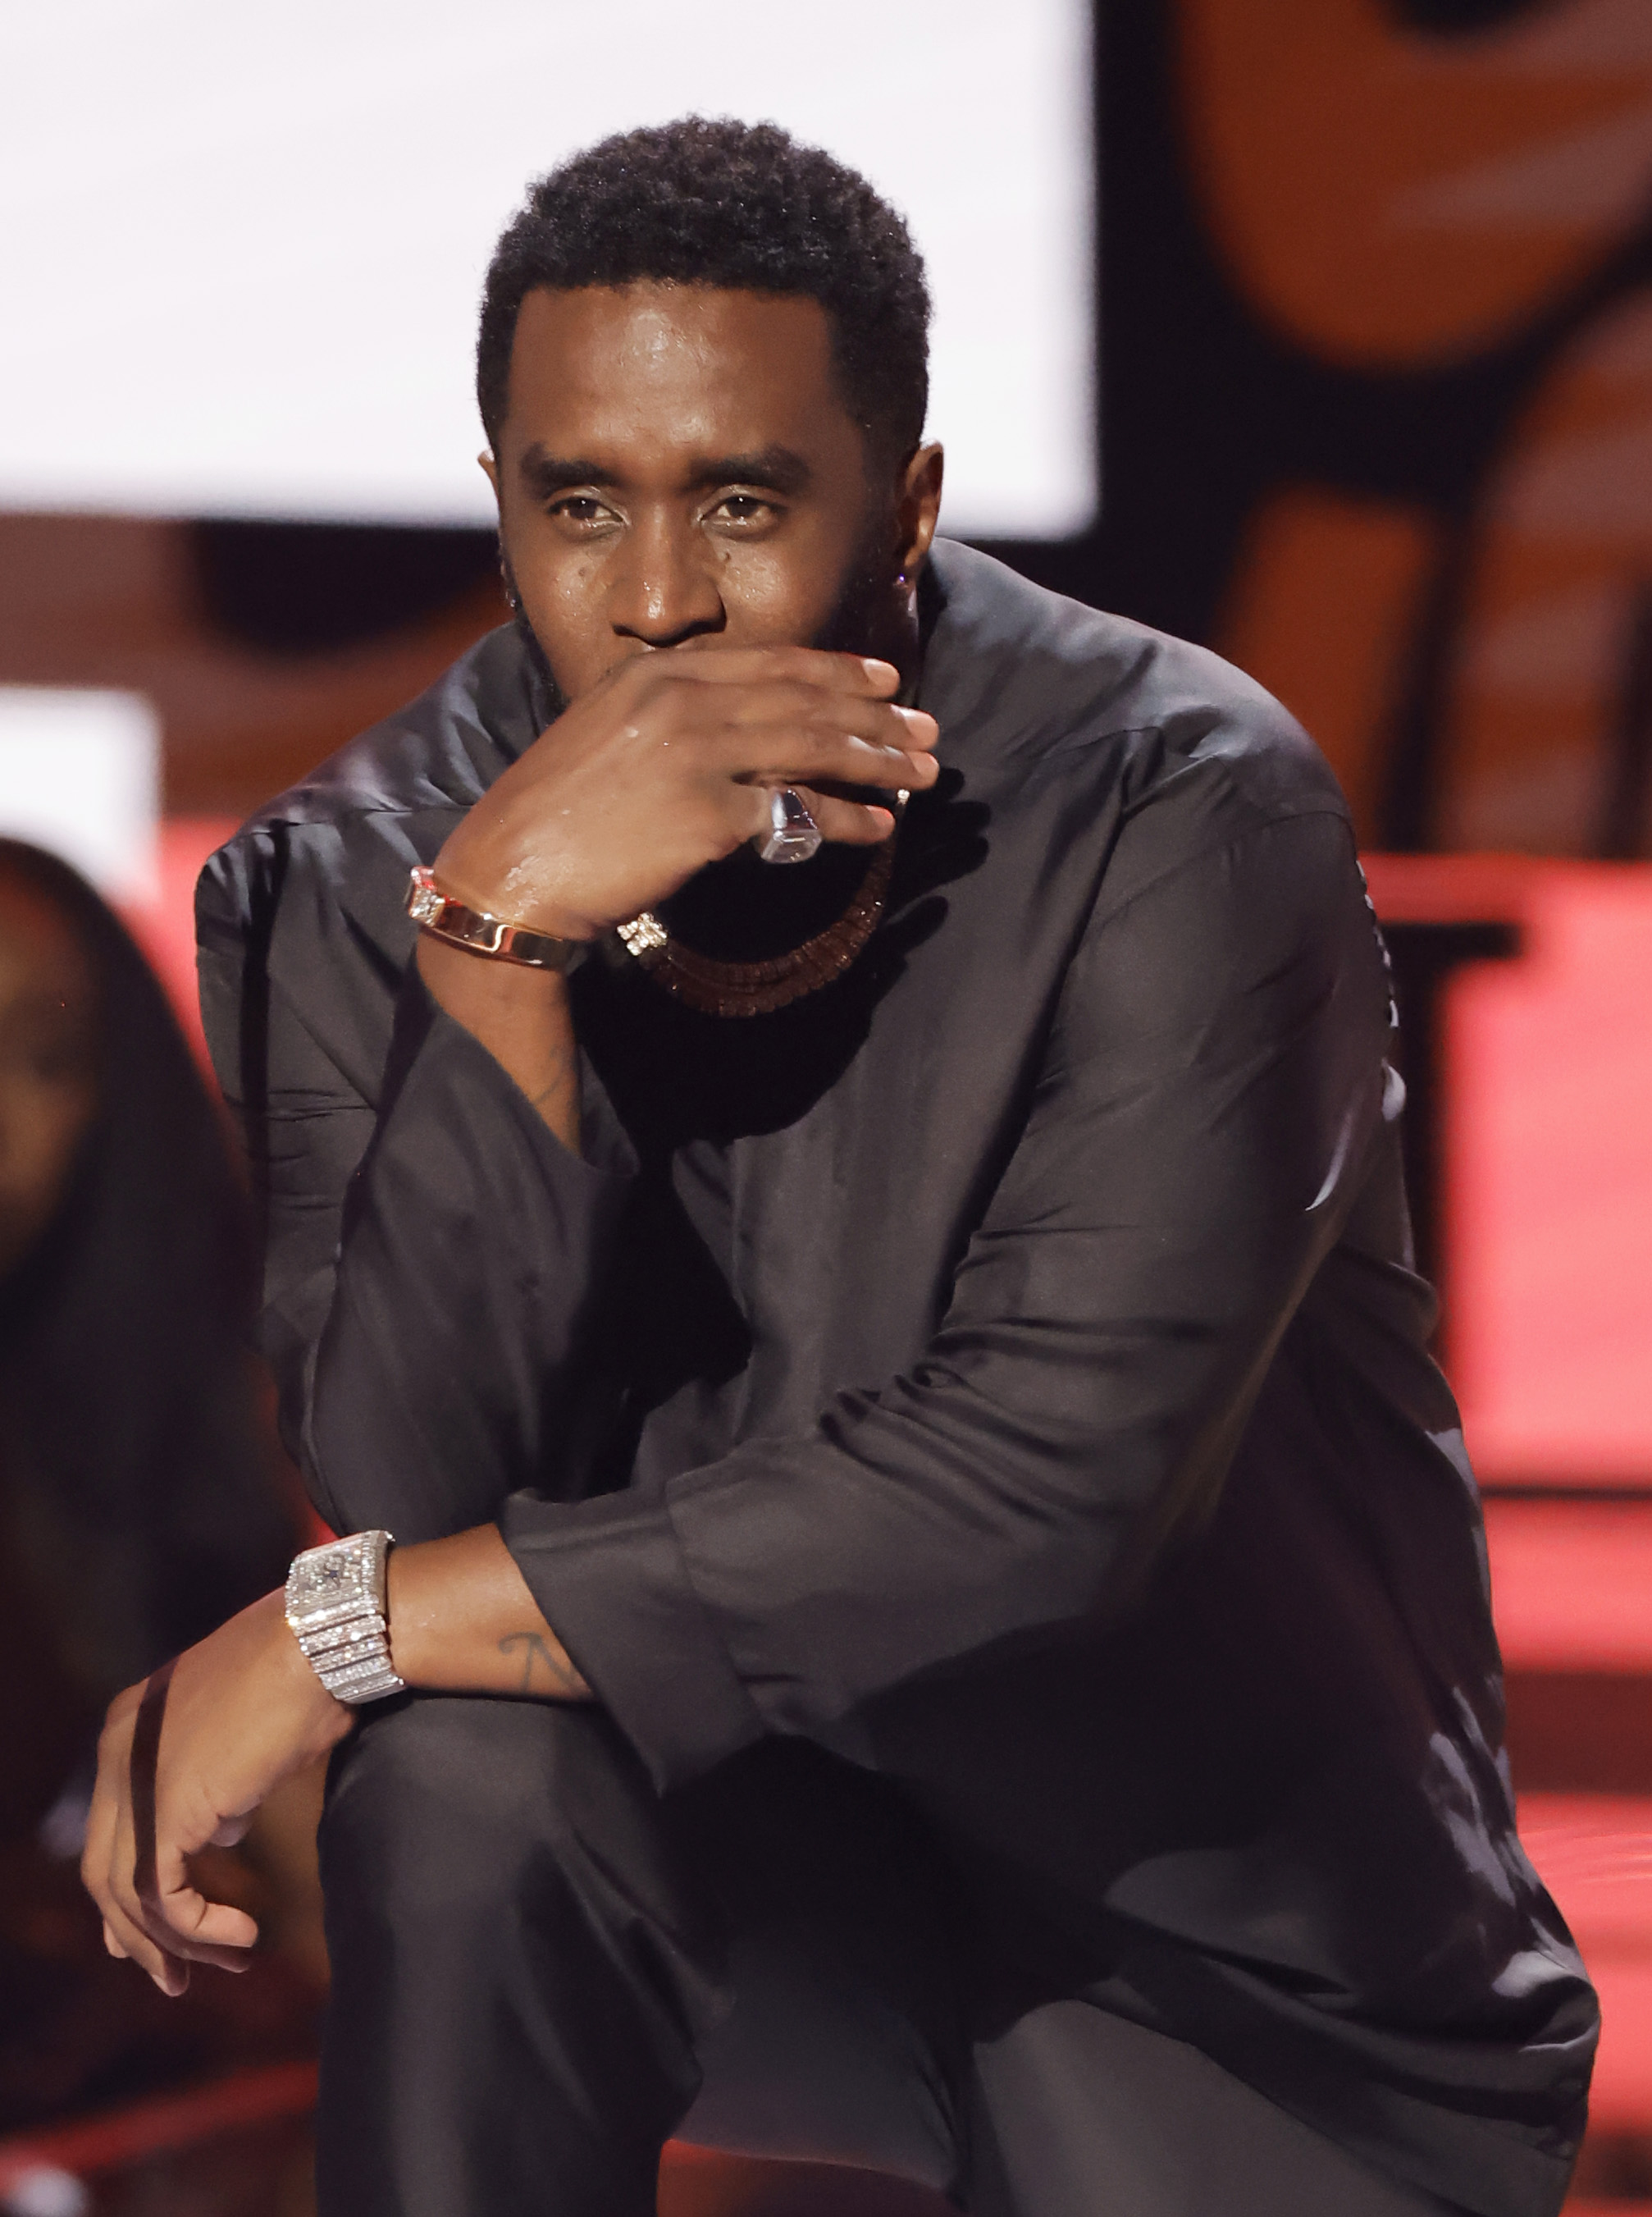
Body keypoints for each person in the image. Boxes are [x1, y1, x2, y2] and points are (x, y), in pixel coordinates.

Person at [82, 120, 1596, 2217]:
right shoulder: (367, 870)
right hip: (759, 1867)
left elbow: (1046, 1487)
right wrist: (497, 953)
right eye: (579, 505)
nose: (655, 602)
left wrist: (327, 1627)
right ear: (500, 499)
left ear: (906, 505)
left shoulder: (1172, 804)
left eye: (740, 503)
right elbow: (418, 1480)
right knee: (464, 1782)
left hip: (1210, 1927)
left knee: (421, 1670)